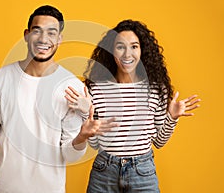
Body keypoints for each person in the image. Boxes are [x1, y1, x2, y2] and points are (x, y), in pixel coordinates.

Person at [0, 5, 116, 193]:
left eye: (51, 33)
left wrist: (82, 137)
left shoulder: (72, 88)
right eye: (37, 31)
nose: (44, 39)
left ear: (59, 39)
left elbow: (70, 154)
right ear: (26, 35)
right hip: (1, 188)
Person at [65, 19, 200, 192]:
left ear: (142, 51)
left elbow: (158, 142)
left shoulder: (156, 90)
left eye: (134, 46)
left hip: (142, 172)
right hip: (104, 171)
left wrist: (172, 118)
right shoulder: (96, 89)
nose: (127, 54)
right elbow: (95, 144)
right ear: (111, 51)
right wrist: (85, 113)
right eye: (120, 47)